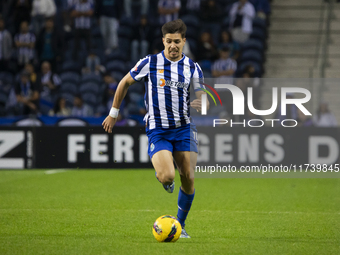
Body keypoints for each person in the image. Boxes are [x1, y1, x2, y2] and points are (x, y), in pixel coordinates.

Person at [102, 19, 207, 238]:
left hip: (184, 128)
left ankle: (181, 224)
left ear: (184, 41)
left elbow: (202, 96)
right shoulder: (149, 63)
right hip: (158, 129)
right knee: (168, 176)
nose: (173, 46)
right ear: (163, 41)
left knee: (188, 176)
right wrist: (114, 113)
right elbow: (124, 83)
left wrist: (201, 102)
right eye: (168, 41)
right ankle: (165, 180)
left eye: (177, 41)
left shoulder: (193, 67)